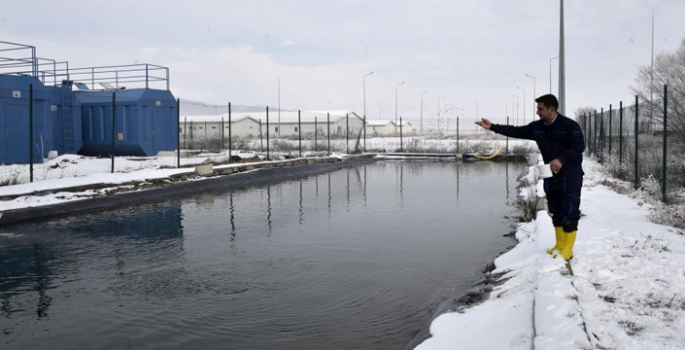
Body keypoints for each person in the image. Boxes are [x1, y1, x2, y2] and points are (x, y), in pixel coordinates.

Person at [475, 94, 584, 261]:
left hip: (570, 173)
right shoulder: (537, 127)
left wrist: (561, 159)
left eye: (540, 109)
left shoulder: (570, 126)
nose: (537, 112)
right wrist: (492, 127)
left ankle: (567, 249)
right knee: (555, 209)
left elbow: (579, 147)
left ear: (551, 109)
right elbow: (516, 131)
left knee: (569, 210)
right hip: (548, 171)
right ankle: (559, 245)